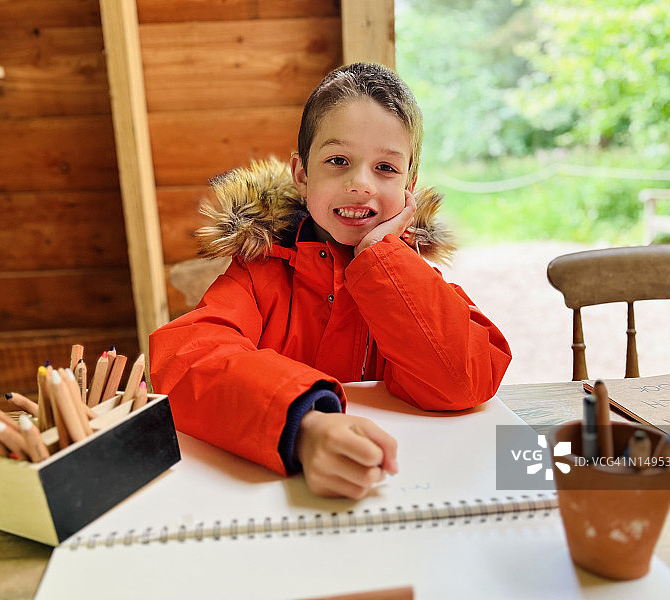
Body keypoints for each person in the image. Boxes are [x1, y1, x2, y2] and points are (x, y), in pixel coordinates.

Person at [149, 62, 511, 500]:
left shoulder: (411, 279)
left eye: (385, 168)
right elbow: (183, 359)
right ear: (302, 174)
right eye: (338, 161)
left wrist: (381, 260)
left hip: (396, 493)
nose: (360, 184)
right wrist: (305, 423)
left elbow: (465, 381)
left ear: (409, 186)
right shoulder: (259, 274)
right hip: (282, 499)